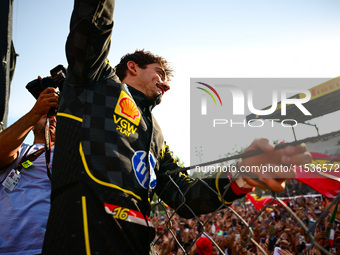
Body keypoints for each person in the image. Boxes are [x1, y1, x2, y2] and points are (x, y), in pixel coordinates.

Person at [42, 0, 311, 254]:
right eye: (159, 73)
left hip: (137, 243)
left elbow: (185, 196)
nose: (166, 84)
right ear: (132, 67)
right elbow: (90, 27)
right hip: (82, 234)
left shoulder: (156, 135)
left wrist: (239, 175)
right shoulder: (94, 81)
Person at [0, 87, 58, 254]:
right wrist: (36, 111)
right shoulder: (19, 150)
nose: (52, 118)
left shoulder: (71, 153)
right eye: (46, 115)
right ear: (32, 125)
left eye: (56, 115)